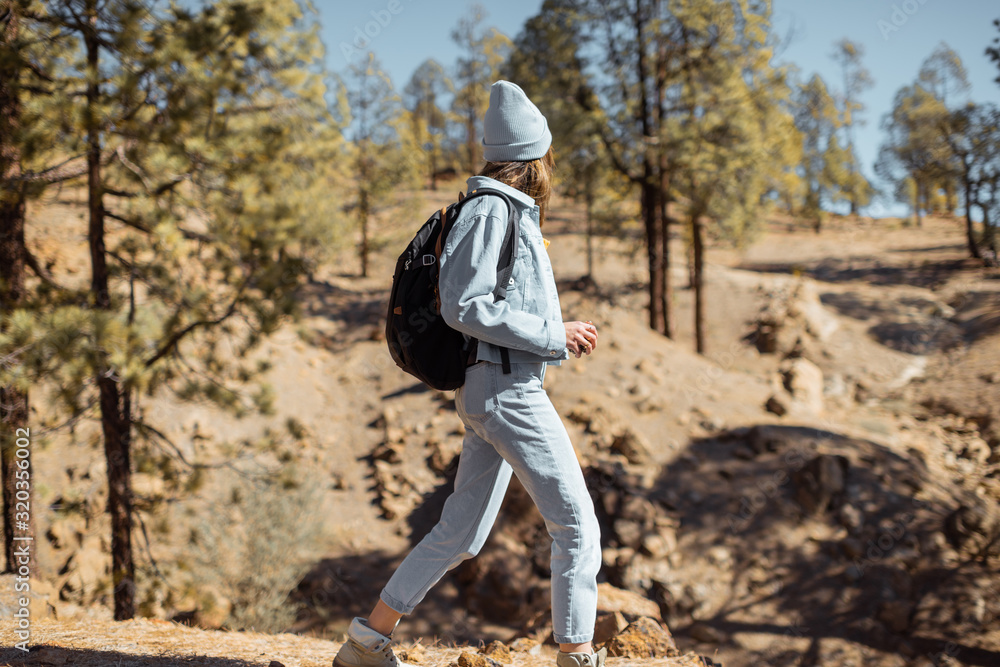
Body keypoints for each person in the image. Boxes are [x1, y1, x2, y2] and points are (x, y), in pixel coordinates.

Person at [333, 81, 604, 667]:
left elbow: (488, 304)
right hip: (506, 392)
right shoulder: (490, 211)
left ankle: (364, 645)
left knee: (461, 535)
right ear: (535, 159)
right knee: (576, 524)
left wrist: (556, 330)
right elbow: (466, 305)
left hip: (493, 391)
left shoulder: (502, 211)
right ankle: (578, 656)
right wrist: (557, 335)